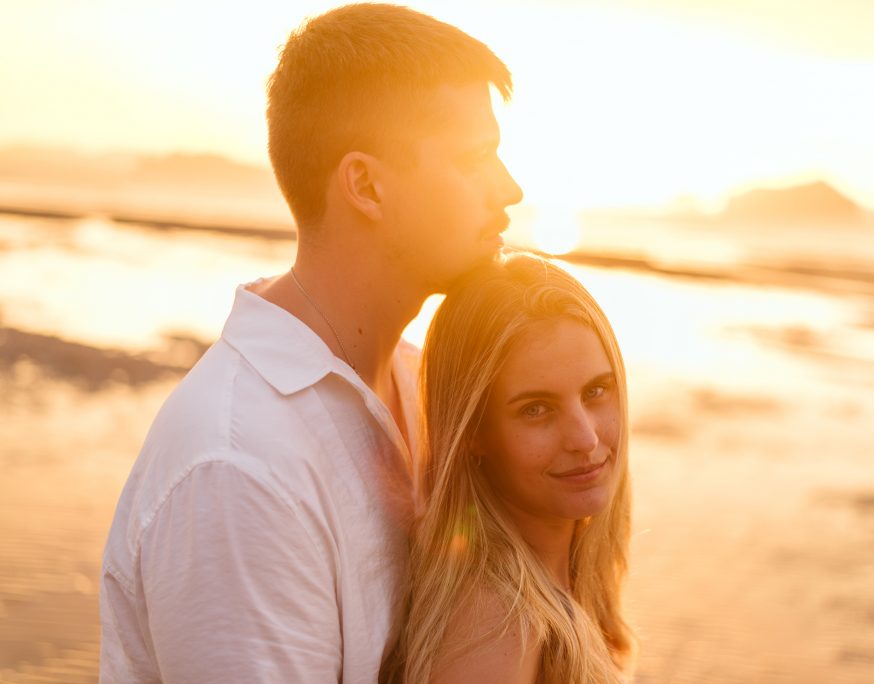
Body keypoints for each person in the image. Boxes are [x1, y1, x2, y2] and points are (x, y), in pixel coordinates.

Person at [99, 4, 522, 682]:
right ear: (365, 185)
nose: (510, 189)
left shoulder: (420, 386)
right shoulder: (237, 467)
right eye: (476, 158)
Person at [382, 253, 634, 683]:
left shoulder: (557, 581)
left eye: (596, 391)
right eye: (536, 409)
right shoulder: (499, 623)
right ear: (473, 432)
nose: (586, 438)